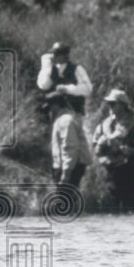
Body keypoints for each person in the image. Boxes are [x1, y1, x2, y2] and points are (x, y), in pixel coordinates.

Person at [37, 42, 92, 187]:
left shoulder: (76, 69)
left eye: (57, 54)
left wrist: (68, 89)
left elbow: (87, 88)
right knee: (60, 148)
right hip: (56, 115)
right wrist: (46, 67)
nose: (55, 57)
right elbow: (43, 85)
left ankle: (67, 177)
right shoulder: (50, 70)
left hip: (72, 113)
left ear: (64, 55)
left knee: (70, 145)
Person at [92, 88, 134, 212]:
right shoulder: (105, 123)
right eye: (109, 103)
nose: (110, 106)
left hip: (133, 170)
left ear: (123, 105)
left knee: (131, 206)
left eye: (113, 103)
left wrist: (131, 151)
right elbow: (95, 143)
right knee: (115, 206)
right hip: (111, 169)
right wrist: (102, 155)